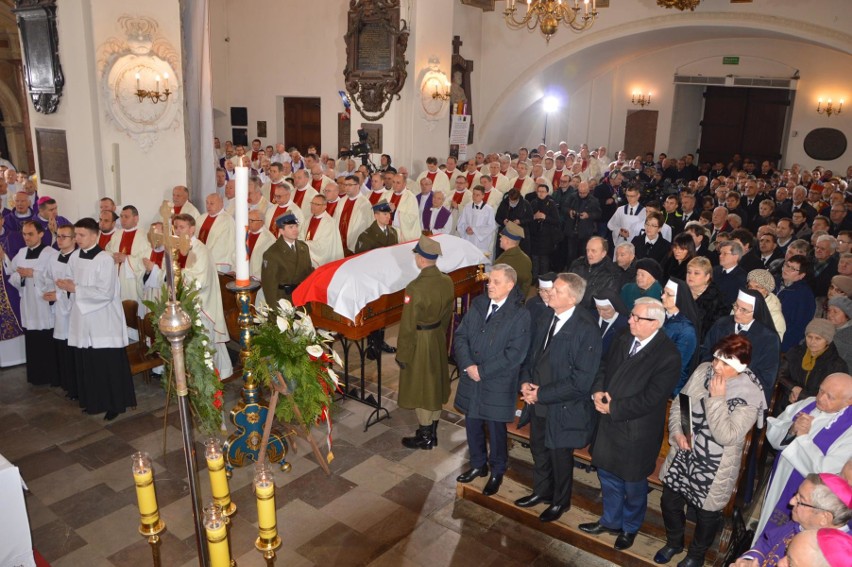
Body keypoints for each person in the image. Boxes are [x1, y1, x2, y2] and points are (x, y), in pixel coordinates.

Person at [581, 297, 681, 551]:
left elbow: (652, 399)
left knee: (633, 486)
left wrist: (613, 407)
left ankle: (629, 528)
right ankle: (611, 520)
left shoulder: (668, 355)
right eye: (632, 315)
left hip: (636, 431)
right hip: (608, 423)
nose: (629, 320)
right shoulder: (625, 335)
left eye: (637, 318)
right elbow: (604, 365)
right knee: (607, 476)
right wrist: (598, 390)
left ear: (655, 323)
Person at [656, 335, 765, 567]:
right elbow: (681, 402)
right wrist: (679, 431)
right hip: (684, 453)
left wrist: (717, 399)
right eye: (716, 359)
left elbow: (726, 436)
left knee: (706, 514)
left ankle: (696, 554)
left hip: (714, 465)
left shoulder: (750, 395)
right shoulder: (703, 370)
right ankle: (674, 541)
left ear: (740, 366)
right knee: (669, 501)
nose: (716, 366)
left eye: (725, 363)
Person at [515, 273, 602, 522]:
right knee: (539, 449)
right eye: (552, 288)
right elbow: (532, 356)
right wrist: (525, 382)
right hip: (538, 401)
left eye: (557, 290)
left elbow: (581, 381)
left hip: (564, 407)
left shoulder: (586, 328)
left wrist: (541, 393)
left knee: (559, 457)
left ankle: (560, 502)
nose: (550, 292)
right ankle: (541, 492)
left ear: (572, 298)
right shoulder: (545, 317)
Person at [454, 264, 531, 497]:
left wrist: (483, 371)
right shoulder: (479, 304)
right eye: (490, 281)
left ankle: (498, 469)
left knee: (496, 429)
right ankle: (478, 464)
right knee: (473, 424)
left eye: (496, 282)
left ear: (510, 285)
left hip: (497, 381)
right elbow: (461, 336)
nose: (490, 285)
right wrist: (468, 365)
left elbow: (515, 354)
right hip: (472, 376)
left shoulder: (519, 315)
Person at [754, 373, 852, 540]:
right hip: (780, 478)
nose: (820, 398)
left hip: (810, 499)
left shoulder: (849, 430)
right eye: (821, 390)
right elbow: (774, 430)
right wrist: (792, 429)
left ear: (848, 401)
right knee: (766, 522)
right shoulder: (808, 403)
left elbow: (825, 472)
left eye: (830, 397)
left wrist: (803, 437)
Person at [55, 218, 135, 420]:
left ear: (94, 235)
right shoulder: (74, 257)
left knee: (106, 363)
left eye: (82, 235)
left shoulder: (105, 259)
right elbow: (73, 282)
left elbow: (106, 293)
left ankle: (114, 403)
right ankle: (94, 400)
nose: (78, 239)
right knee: (89, 362)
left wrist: (76, 289)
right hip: (83, 319)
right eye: (77, 235)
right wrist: (67, 286)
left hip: (103, 320)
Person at [397, 235, 455, 450]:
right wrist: (438, 333)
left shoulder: (415, 287)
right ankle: (433, 432)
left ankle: (425, 436)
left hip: (420, 341)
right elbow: (448, 313)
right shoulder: (447, 281)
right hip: (437, 337)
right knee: (435, 385)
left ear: (421, 259)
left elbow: (408, 325)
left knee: (421, 388)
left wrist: (403, 353)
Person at [734, 473, 852, 567]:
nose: (791, 502)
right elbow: (768, 542)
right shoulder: (802, 524)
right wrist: (749, 561)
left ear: (824, 518)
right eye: (796, 495)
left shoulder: (837, 555)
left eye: (800, 500)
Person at [172, 214, 233, 380]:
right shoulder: (176, 248)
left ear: (192, 229)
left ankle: (214, 378)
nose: (178, 230)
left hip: (202, 305)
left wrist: (178, 273)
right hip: (183, 304)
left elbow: (201, 281)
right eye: (176, 227)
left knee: (207, 344)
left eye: (182, 227)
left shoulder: (200, 250)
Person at [702, 289, 780, 401]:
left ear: (756, 312)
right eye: (736, 306)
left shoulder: (769, 338)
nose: (737, 312)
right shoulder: (722, 324)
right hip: (712, 383)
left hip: (743, 394)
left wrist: (733, 380)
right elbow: (706, 353)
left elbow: (767, 376)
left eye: (744, 310)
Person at [9, 220, 58, 385]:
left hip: (43, 303)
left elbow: (55, 277)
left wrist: (34, 274)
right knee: (32, 340)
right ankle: (36, 376)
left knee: (46, 340)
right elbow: (13, 276)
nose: (26, 238)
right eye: (24, 234)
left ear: (41, 234)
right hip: (29, 303)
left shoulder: (50, 253)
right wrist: (21, 276)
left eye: (30, 234)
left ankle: (51, 376)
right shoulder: (21, 253)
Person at [353, 200, 400, 360]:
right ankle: (372, 344)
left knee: (384, 311)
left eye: (389, 214)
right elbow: (361, 261)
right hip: (372, 281)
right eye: (385, 214)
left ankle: (380, 341)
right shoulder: (366, 236)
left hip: (387, 279)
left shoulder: (392, 232)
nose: (388, 217)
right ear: (376, 215)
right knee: (372, 312)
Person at [780, 319, 848, 407]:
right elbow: (780, 375)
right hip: (788, 402)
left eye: (818, 338)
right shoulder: (795, 353)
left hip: (816, 408)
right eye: (809, 337)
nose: (812, 342)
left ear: (827, 341)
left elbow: (833, 394)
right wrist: (793, 388)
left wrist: (801, 395)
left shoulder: (837, 365)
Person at [48, 224, 78, 398]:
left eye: (63, 236)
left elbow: (77, 286)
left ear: (74, 239)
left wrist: (60, 295)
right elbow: (47, 278)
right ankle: (69, 385)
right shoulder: (54, 258)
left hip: (74, 309)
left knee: (74, 348)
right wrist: (51, 292)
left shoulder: (78, 259)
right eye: (58, 236)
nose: (59, 240)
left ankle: (77, 388)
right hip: (59, 311)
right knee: (64, 348)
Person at [260, 213, 313, 306]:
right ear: (281, 231)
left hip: (302, 300)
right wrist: (276, 310)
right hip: (284, 301)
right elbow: (269, 287)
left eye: (296, 226)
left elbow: (308, 273)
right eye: (291, 227)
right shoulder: (272, 253)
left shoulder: (303, 247)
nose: (295, 230)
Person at [661, 278, 700, 396]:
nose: (663, 297)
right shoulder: (662, 315)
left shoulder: (687, 330)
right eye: (663, 292)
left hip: (672, 388)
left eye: (668, 294)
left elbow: (678, 366)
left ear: (679, 299)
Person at [105, 205, 152, 303]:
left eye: (126, 217)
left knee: (131, 310)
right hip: (115, 278)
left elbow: (146, 258)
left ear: (136, 218)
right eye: (121, 216)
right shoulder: (116, 235)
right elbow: (107, 250)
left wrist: (126, 259)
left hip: (132, 281)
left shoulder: (145, 236)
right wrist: (113, 257)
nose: (123, 219)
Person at [776, 254, 816, 353]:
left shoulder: (804, 295)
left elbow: (800, 326)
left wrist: (782, 346)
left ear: (801, 275)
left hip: (782, 343)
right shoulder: (775, 282)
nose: (787, 270)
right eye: (787, 265)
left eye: (793, 269)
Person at [568, 236, 621, 310]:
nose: (589, 254)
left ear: (603, 253)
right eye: (587, 250)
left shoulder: (612, 273)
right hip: (570, 307)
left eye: (593, 251)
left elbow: (607, 302)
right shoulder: (577, 265)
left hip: (593, 313)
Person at [686, 256, 729, 343]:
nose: (691, 276)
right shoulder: (680, 291)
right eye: (689, 272)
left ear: (707, 277)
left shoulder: (717, 299)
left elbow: (714, 331)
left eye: (696, 273)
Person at [456, 186, 497, 264]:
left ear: (483, 196)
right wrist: (466, 229)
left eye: (477, 195)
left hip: (481, 241)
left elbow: (491, 226)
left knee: (479, 264)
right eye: (473, 194)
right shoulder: (467, 207)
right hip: (468, 239)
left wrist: (475, 230)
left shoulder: (488, 209)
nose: (474, 197)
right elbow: (461, 222)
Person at [528, 184, 562, 278]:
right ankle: (534, 279)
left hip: (547, 237)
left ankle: (543, 279)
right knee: (534, 259)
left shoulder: (551, 204)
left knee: (544, 260)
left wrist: (545, 217)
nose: (541, 193)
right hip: (535, 235)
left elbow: (557, 221)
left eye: (543, 192)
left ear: (547, 193)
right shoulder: (533, 203)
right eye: (539, 191)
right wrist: (534, 217)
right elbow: (527, 218)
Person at [196, 194, 236, 272]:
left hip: (218, 263)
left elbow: (226, 246)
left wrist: (207, 257)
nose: (208, 206)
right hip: (200, 260)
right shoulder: (201, 218)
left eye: (212, 203)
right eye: (207, 203)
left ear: (221, 203)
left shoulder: (227, 220)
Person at [300, 195, 343, 267]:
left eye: (317, 204)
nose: (313, 206)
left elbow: (323, 246)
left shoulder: (329, 223)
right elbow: (301, 235)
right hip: (305, 256)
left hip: (320, 259)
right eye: (312, 203)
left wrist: (304, 244)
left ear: (324, 206)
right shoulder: (308, 219)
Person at [746, 268, 787, 343]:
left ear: (767, 290)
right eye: (750, 286)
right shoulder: (740, 304)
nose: (752, 290)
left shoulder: (775, 316)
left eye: (757, 287)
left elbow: (773, 345)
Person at [494, 222, 533, 298]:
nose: (500, 239)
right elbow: (526, 284)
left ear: (507, 240)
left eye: (502, 236)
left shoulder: (502, 262)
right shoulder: (526, 259)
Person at [593, 289, 629, 358]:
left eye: (605, 309)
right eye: (598, 309)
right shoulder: (591, 316)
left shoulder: (624, 325)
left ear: (615, 307)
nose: (601, 313)